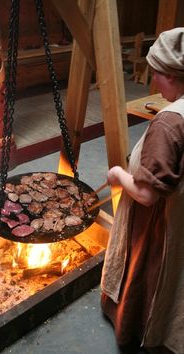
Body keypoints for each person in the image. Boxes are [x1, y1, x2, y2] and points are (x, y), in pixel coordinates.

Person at [100, 27, 184, 354]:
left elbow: (148, 196)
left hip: (161, 223)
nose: (152, 81)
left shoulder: (168, 123)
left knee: (151, 273)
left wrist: (120, 174)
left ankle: (138, 330)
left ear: (171, 75)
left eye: (156, 74)